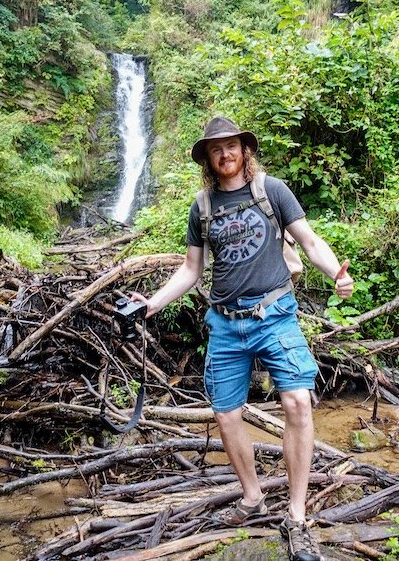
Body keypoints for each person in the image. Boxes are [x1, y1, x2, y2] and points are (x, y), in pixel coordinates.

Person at [132, 116, 354, 561]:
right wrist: (153, 303)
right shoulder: (202, 207)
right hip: (225, 324)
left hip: (275, 315)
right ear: (208, 160)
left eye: (231, 146)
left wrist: (335, 274)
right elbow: (192, 269)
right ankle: (252, 496)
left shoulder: (272, 191)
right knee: (226, 414)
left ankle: (295, 515)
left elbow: (307, 240)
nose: (225, 154)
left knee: (296, 402)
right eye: (216, 150)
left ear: (244, 150)